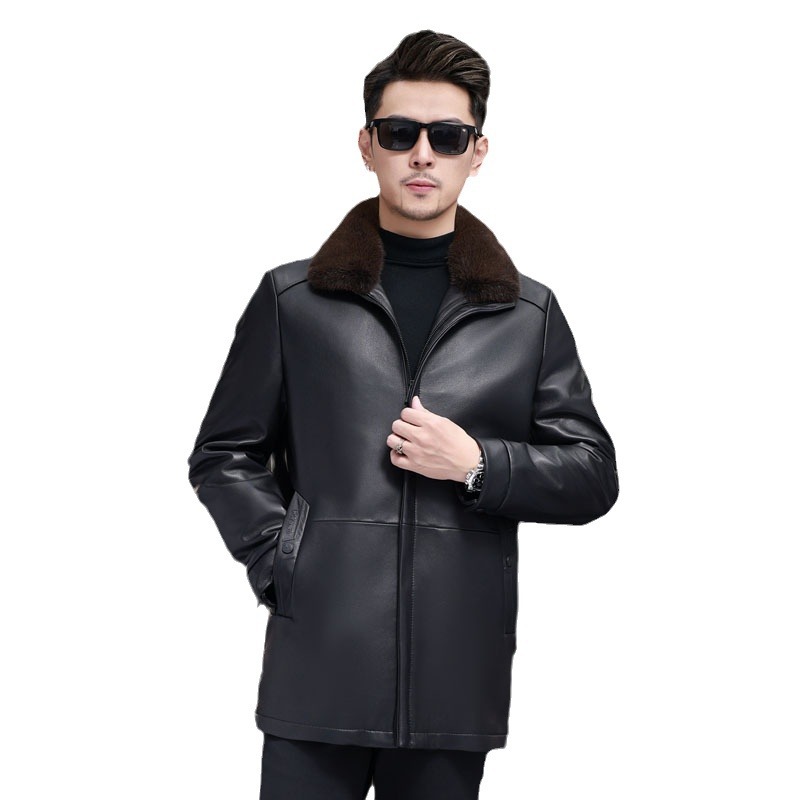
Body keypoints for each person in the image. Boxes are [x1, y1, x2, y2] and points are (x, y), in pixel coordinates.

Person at [187, 29, 619, 800]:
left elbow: (591, 474)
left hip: (455, 679)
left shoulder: (527, 316)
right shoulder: (295, 302)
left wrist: (479, 464)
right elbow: (224, 455)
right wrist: (283, 558)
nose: (423, 154)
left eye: (447, 136)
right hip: (318, 667)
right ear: (367, 145)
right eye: (400, 133)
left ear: (477, 152)